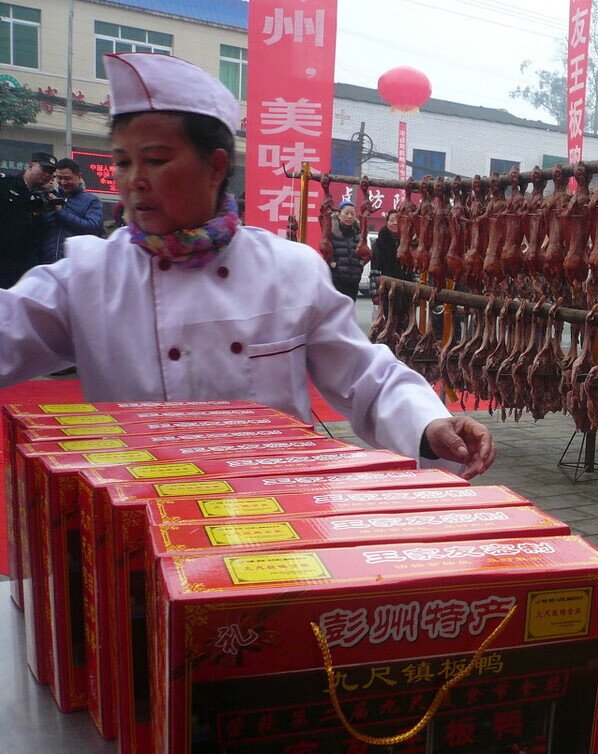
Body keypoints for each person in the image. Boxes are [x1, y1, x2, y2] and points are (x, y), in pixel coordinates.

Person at [0, 52, 493, 477]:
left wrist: (429, 425)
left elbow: (364, 375)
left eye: (155, 160)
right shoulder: (86, 275)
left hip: (275, 521)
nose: (134, 181)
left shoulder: (290, 269)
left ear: (216, 166)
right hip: (137, 518)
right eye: (124, 162)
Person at [0, 150, 57, 288]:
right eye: (44, 169)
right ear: (30, 166)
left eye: (50, 172)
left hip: (27, 266)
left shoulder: (46, 196)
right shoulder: (6, 185)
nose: (47, 175)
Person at [43, 158, 105, 263]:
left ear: (79, 177)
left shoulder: (92, 201)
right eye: (59, 178)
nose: (63, 182)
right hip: (47, 264)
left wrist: (61, 212)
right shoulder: (49, 196)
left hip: (76, 265)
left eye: (67, 178)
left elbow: (93, 227)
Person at [328, 200, 366, 301]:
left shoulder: (359, 234)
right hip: (336, 281)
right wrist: (333, 264)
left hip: (353, 281)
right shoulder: (331, 232)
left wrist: (360, 265)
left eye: (352, 214)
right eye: (346, 213)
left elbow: (365, 254)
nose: (350, 216)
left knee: (349, 311)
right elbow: (326, 253)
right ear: (339, 214)